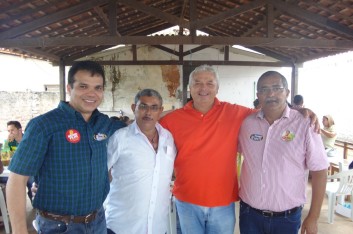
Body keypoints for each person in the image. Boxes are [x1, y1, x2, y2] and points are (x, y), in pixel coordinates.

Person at [6, 60, 126, 234]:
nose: (92, 94)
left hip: (98, 221)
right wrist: (19, 231)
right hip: (59, 226)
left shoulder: (104, 124)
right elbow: (17, 180)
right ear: (69, 88)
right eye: (83, 86)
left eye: (97, 88)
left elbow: (143, 127)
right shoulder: (43, 126)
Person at [238, 71, 328, 234]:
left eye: (277, 88)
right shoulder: (246, 124)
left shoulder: (305, 124)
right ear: (258, 95)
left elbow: (320, 170)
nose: (271, 93)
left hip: (286, 219)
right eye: (264, 89)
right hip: (249, 215)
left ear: (287, 92)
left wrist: (313, 216)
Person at [105, 88, 176, 234]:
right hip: (122, 227)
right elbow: (101, 172)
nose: (148, 112)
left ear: (160, 110)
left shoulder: (168, 138)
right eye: (143, 106)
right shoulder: (120, 138)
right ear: (133, 108)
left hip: (157, 227)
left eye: (154, 107)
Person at [0, 121, 34, 203]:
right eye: (8, 131)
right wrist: (6, 144)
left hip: (29, 170)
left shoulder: (28, 139)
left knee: (31, 181)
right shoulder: (10, 142)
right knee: (9, 181)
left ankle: (34, 202)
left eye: (12, 130)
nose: (10, 133)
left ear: (19, 130)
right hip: (15, 169)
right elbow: (5, 155)